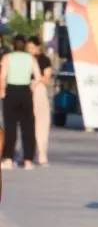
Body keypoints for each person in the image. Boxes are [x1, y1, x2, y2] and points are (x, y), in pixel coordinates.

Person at [1, 35, 43, 169]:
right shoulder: (30, 58)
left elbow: (2, 76)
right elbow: (38, 76)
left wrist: (2, 91)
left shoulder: (7, 58)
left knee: (10, 126)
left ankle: (8, 158)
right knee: (27, 126)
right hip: (25, 92)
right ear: (24, 45)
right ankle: (28, 160)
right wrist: (33, 85)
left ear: (13, 45)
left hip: (11, 91)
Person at [29, 38, 52, 166]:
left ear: (39, 47)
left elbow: (47, 79)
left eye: (33, 47)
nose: (30, 50)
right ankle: (28, 152)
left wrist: (38, 78)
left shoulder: (44, 60)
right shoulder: (24, 59)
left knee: (42, 123)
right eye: (28, 47)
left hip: (39, 91)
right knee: (28, 124)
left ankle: (42, 153)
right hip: (25, 91)